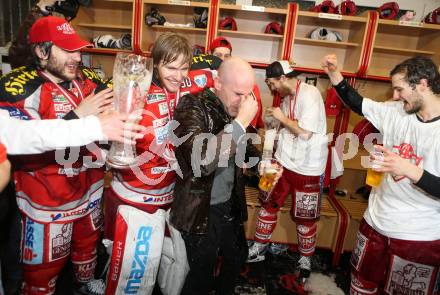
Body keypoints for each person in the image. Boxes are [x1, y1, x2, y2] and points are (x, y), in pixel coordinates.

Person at [0, 15, 115, 294]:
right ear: (41, 51)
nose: (77, 56)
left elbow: (112, 116)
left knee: (86, 265)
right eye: (67, 50)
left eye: (78, 48)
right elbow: (24, 143)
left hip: (89, 195)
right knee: (41, 279)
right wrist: (78, 116)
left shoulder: (85, 78)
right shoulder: (19, 87)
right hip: (48, 205)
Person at [321, 54, 440, 295]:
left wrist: (407, 168)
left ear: (423, 84)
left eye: (399, 89)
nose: (394, 96)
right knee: (359, 284)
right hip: (376, 221)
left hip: (418, 236)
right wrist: (335, 74)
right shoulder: (396, 111)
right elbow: (358, 103)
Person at [102, 32, 193, 294]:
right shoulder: (136, 92)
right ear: (155, 64)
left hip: (168, 199)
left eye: (184, 67)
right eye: (170, 67)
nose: (178, 74)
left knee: (168, 272)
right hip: (134, 200)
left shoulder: (187, 90)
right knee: (131, 277)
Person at [170, 57, 259, 295]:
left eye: (248, 95)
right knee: (201, 273)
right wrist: (240, 122)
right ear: (218, 83)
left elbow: (247, 148)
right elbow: (201, 160)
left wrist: (263, 164)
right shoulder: (191, 106)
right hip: (199, 207)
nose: (243, 102)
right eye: (238, 93)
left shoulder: (232, 108)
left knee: (237, 258)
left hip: (228, 204)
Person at [247, 60, 328, 283]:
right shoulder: (285, 99)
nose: (271, 88)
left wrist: (281, 118)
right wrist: (265, 159)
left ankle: (305, 259)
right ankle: (258, 247)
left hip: (308, 168)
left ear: (282, 78)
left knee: (305, 219)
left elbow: (305, 133)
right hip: (280, 162)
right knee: (266, 204)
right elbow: (273, 129)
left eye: (271, 83)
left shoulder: (310, 94)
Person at [209, 36, 264, 129]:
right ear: (209, 54)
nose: (222, 59)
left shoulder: (245, 84)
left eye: (226, 56)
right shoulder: (202, 80)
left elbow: (253, 122)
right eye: (218, 55)